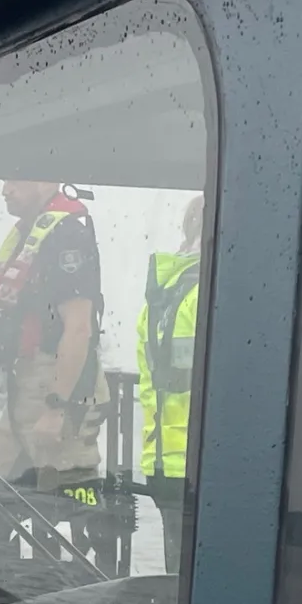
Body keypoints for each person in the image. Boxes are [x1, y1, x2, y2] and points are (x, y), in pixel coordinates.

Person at [0, 178, 111, 558]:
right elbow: (32, 316)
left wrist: (56, 407)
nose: (5, 190)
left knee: (70, 503)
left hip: (59, 387)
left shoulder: (67, 237)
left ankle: (84, 584)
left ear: (44, 181)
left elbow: (78, 329)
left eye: (15, 181)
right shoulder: (31, 235)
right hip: (25, 385)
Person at [135, 195, 204, 574]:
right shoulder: (210, 292)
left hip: (164, 460)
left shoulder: (162, 296)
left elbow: (153, 382)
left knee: (179, 584)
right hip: (204, 464)